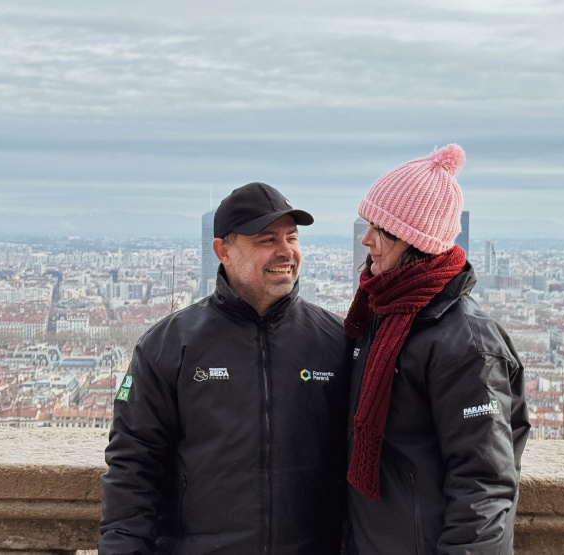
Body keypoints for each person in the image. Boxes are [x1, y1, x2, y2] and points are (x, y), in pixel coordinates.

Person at [100, 182, 350, 554]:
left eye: (292, 238)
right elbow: (133, 468)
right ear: (224, 251)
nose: (286, 252)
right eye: (267, 240)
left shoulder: (337, 341)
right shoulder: (168, 345)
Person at [344, 144, 530, 554]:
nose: (367, 239)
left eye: (381, 229)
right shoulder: (380, 313)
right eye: (367, 224)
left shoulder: (467, 344)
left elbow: (484, 485)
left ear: (415, 241)